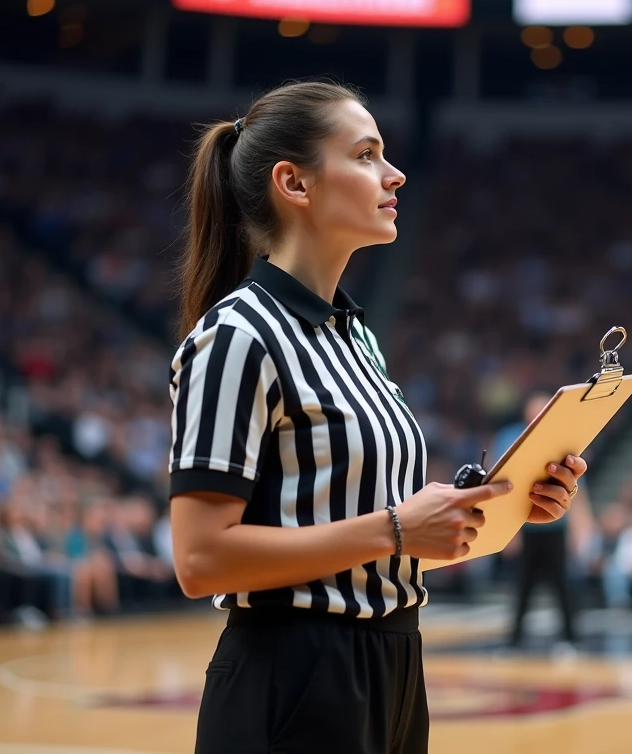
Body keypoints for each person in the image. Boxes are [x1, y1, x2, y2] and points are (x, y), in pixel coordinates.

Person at [167, 80, 587, 754]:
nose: (394, 174)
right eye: (366, 155)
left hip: (394, 665)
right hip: (292, 675)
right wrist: (396, 526)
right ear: (294, 184)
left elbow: (376, 547)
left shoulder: (355, 336)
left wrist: (501, 509)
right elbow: (199, 558)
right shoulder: (239, 334)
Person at [502, 392, 582, 651]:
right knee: (523, 585)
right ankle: (514, 641)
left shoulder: (561, 439)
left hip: (556, 525)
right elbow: (499, 482)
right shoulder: (509, 437)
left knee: (561, 582)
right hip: (523, 525)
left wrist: (581, 528)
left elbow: (578, 486)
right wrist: (507, 531)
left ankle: (570, 639)